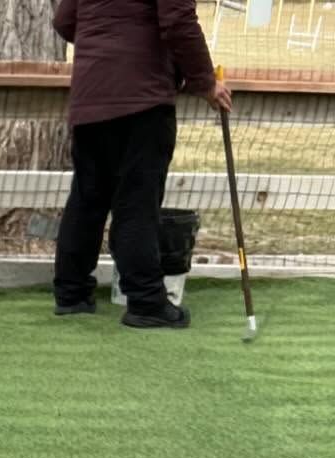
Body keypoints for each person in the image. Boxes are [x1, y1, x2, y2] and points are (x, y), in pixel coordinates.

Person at [51, 0, 233, 329]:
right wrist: (204, 82)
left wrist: (106, 42)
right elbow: (178, 20)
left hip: (90, 95)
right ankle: (146, 301)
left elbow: (64, 21)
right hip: (143, 97)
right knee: (137, 202)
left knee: (87, 196)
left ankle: (71, 294)